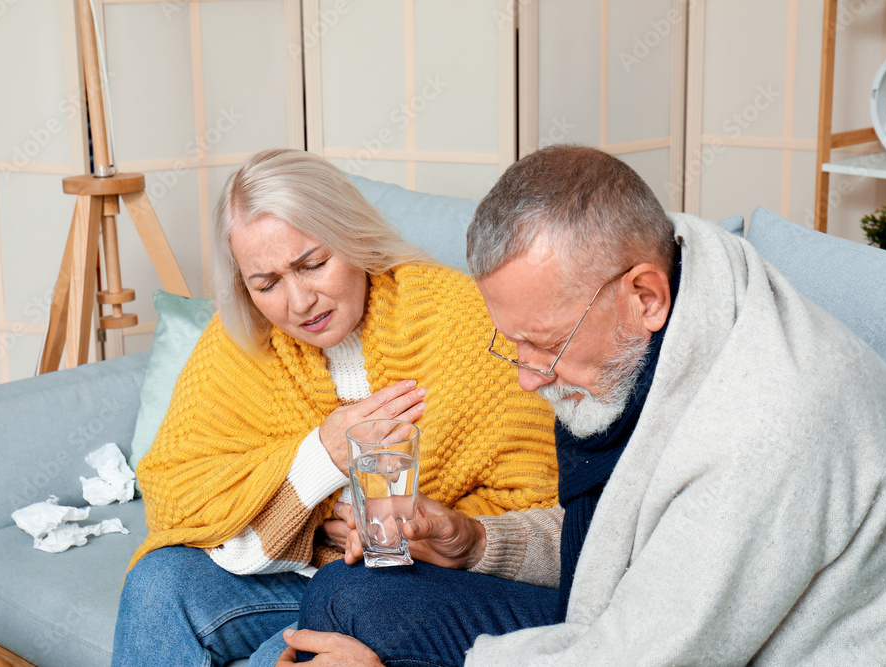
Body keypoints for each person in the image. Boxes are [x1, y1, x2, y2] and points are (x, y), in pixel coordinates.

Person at [284, 144, 886, 665]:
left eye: (543, 344)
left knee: (352, 612)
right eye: (513, 343)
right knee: (348, 590)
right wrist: (480, 542)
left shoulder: (766, 427)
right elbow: (635, 535)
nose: (526, 378)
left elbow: (643, 654)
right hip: (671, 624)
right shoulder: (671, 299)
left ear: (645, 297)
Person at [110, 149, 560, 667]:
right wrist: (320, 457)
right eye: (267, 283)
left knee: (287, 647)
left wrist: (415, 534)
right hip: (286, 572)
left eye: (313, 265)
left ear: (354, 237)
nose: (299, 302)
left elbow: (536, 502)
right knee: (158, 582)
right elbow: (175, 494)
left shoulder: (460, 321)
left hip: (391, 588)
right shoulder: (238, 340)